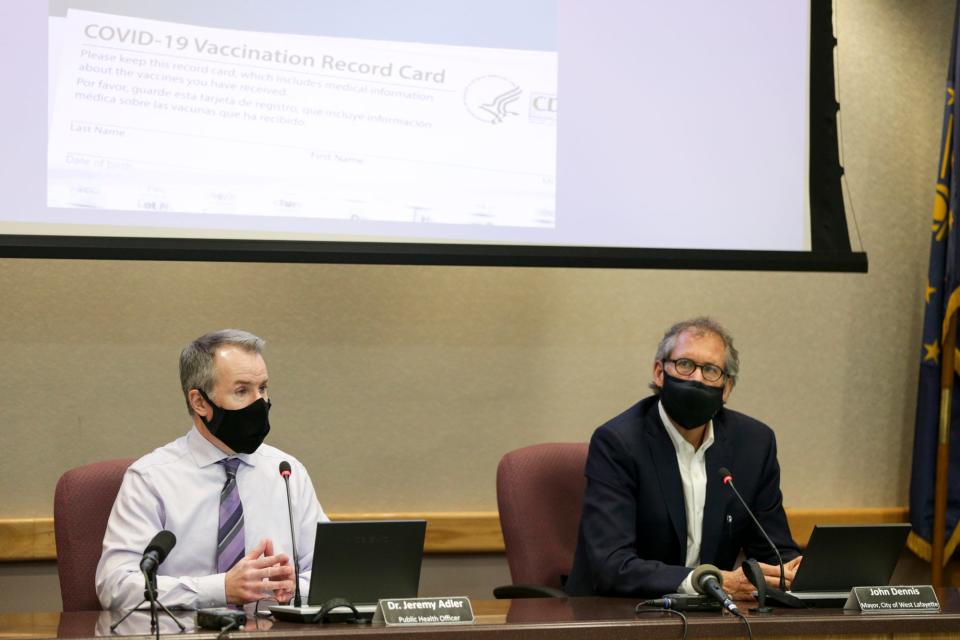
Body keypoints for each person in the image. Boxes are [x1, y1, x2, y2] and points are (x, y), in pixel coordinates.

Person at [565, 317, 801, 599]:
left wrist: (797, 571)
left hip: (713, 620)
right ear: (659, 372)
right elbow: (611, 566)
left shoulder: (754, 444)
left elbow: (774, 552)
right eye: (685, 365)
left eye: (711, 370)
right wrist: (706, 581)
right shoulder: (619, 443)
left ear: (726, 388)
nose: (697, 378)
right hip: (621, 613)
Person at [96, 329, 328, 610]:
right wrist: (221, 589)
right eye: (242, 391)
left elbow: (334, 573)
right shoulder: (151, 479)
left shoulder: (287, 473)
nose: (260, 403)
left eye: (263, 388)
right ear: (199, 402)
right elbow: (116, 585)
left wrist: (294, 589)